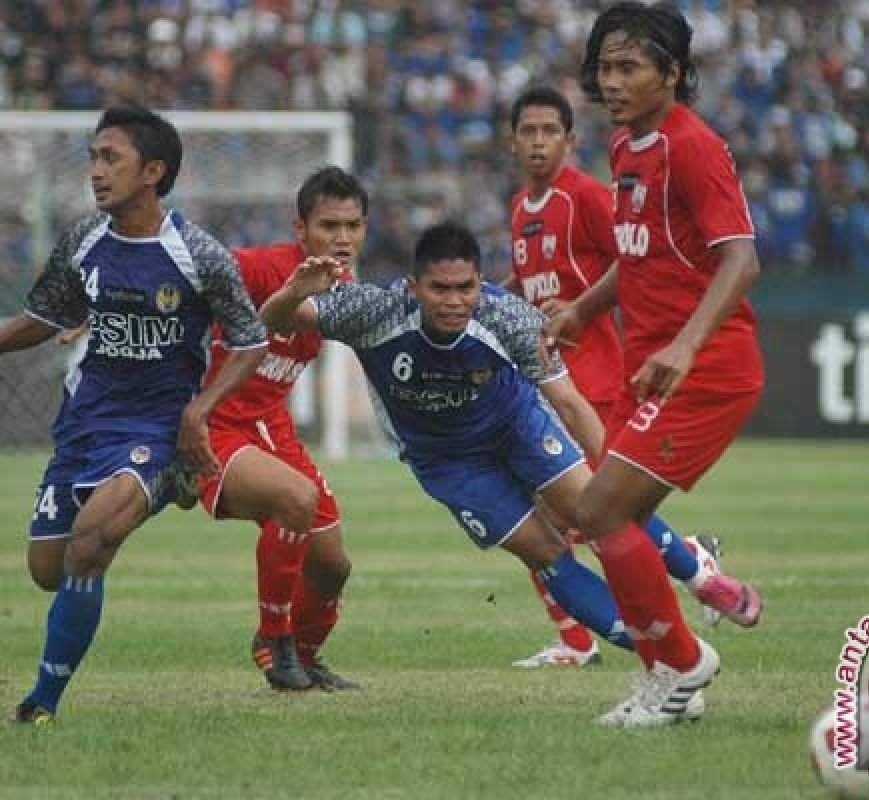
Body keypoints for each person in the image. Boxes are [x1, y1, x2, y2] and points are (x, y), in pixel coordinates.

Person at [262, 221, 716, 727]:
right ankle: (678, 658)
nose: (454, 301)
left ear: (481, 284)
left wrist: (612, 480)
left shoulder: (506, 315)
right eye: (440, 288)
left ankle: (697, 571)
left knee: (592, 508)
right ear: (413, 288)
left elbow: (568, 402)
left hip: (515, 426)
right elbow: (277, 317)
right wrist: (292, 293)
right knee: (547, 554)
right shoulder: (374, 310)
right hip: (449, 463)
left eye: (465, 288)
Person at [0, 106, 276, 725]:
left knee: (90, 544)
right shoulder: (83, 240)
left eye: (109, 158)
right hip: (84, 424)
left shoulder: (197, 253)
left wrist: (199, 412)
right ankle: (142, 500)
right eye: (93, 157)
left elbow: (250, 341)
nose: (95, 171)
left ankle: (41, 704)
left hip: (157, 428)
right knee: (50, 569)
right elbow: (48, 316)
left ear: (154, 171)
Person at [543, 2, 766, 725]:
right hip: (661, 367)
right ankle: (671, 677)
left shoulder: (691, 146)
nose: (612, 81)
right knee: (607, 516)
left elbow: (742, 260)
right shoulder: (626, 146)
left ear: (672, 73)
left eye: (629, 66)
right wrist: (584, 308)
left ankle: (680, 667)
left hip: (706, 369)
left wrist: (684, 344)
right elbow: (638, 255)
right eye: (605, 66)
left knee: (601, 510)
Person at [506, 85, 743, 669]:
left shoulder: (585, 196)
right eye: (527, 132)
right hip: (547, 381)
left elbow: (632, 260)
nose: (538, 142)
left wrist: (583, 311)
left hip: (597, 381)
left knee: (586, 510)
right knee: (541, 511)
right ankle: (578, 637)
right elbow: (533, 287)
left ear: (569, 139)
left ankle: (688, 562)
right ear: (512, 141)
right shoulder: (520, 209)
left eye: (548, 131)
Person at [194, 167, 368, 691]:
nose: (342, 238)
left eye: (353, 226)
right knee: (296, 497)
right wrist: (110, 304)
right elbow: (195, 273)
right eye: (329, 225)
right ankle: (274, 639)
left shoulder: (347, 286)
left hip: (272, 427)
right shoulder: (265, 266)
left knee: (334, 565)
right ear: (300, 228)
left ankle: (307, 656)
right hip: (218, 426)